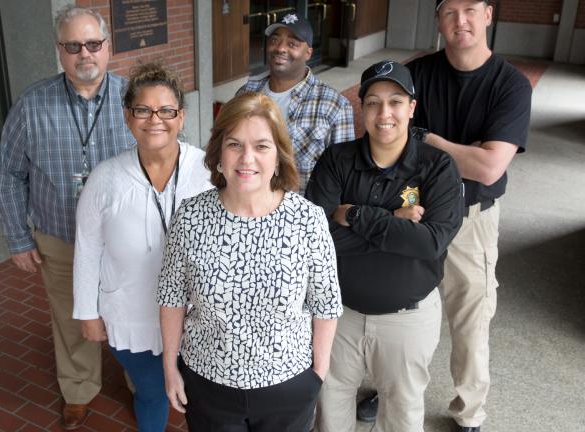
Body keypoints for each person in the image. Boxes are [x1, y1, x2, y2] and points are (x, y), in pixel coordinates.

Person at [158, 92, 343, 431]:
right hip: (208, 382)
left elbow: (326, 303)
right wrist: (170, 366)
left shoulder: (307, 220)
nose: (247, 158)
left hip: (289, 385)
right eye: (234, 145)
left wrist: (318, 372)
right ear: (219, 153)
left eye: (261, 146)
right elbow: (171, 297)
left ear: (278, 156)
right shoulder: (191, 216)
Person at [0, 6, 135, 429]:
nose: (84, 54)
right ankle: (78, 388)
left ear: (108, 47)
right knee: (73, 317)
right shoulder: (32, 104)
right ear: (59, 51)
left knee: (133, 312)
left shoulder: (137, 100)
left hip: (127, 239)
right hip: (61, 238)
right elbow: (8, 174)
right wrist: (18, 239)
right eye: (73, 46)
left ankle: (140, 381)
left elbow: (171, 161)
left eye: (93, 44)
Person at [307, 60, 464, 432]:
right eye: (373, 102)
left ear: (412, 107)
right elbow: (315, 238)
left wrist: (356, 215)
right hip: (338, 313)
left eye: (395, 102)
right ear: (362, 108)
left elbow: (429, 243)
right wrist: (393, 223)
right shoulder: (336, 160)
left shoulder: (438, 167)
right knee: (330, 405)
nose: (384, 113)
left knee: (403, 413)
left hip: (407, 317)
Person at [406, 1, 532, 430]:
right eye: (449, 12)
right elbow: (392, 147)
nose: (461, 20)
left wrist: (428, 140)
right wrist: (468, 149)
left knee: (470, 322)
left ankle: (469, 412)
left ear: (488, 14)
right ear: (438, 21)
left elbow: (489, 167)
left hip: (471, 219)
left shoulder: (510, 85)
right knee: (400, 313)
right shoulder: (418, 75)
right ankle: (394, 391)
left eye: (470, 9)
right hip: (414, 215)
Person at [72, 63, 211, 432]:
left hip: (199, 314)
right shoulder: (106, 177)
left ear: (181, 116)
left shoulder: (209, 171)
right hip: (131, 314)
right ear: (128, 117)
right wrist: (87, 311)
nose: (156, 120)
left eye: (166, 110)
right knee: (151, 392)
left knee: (204, 399)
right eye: (143, 110)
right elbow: (87, 248)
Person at [236, 12, 354, 194]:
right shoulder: (246, 94)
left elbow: (345, 175)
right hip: (248, 204)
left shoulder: (334, 105)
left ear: (308, 53)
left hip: (301, 215)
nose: (280, 48)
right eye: (275, 40)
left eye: (292, 44)